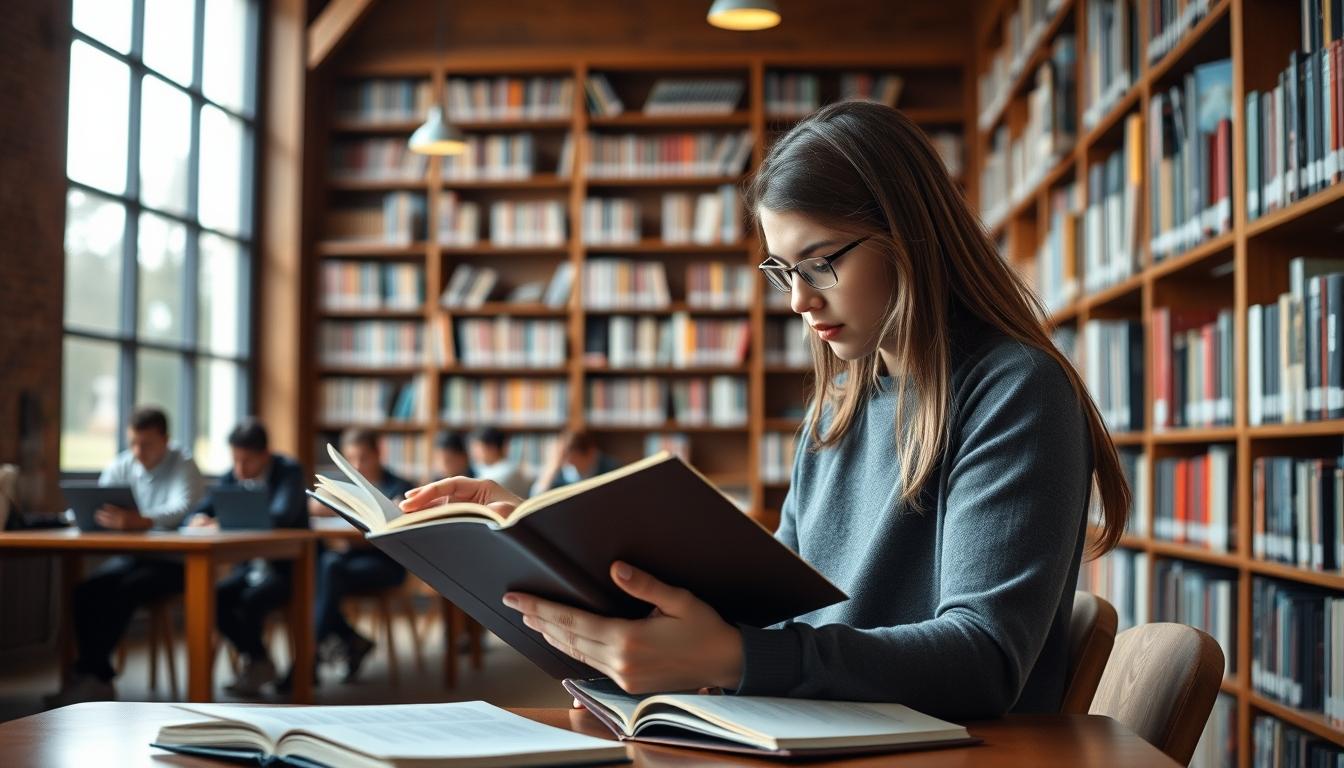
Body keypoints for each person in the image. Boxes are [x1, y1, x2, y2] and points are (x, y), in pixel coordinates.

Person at [399, 101, 1131, 719]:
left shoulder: (1014, 389)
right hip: (814, 737)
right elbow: (780, 617)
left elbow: (983, 661)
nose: (797, 300)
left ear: (913, 235)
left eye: (821, 263)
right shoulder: (836, 413)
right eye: (783, 269)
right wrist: (548, 542)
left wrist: (737, 654)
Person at [46, 406, 205, 706]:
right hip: (135, 558)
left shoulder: (184, 464)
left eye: (146, 444)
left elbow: (183, 510)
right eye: (132, 442)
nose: (137, 451)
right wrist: (68, 517)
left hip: (180, 563)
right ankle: (97, 675)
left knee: (124, 591)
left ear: (165, 439)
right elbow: (96, 502)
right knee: (85, 591)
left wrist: (140, 521)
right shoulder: (124, 464)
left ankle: (94, 677)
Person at [185, 418, 307, 696]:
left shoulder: (289, 471)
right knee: (212, 596)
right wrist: (200, 518)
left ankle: (257, 662)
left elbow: (282, 514)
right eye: (235, 460)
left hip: (287, 570)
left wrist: (223, 522)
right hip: (249, 569)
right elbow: (200, 510)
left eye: (247, 461)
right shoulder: (234, 475)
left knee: (252, 601)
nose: (239, 470)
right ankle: (259, 660)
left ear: (265, 455)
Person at [308, 429, 413, 682]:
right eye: (350, 459)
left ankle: (307, 661)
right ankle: (349, 641)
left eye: (363, 457)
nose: (357, 465)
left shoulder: (399, 486)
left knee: (328, 569)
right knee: (322, 566)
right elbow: (313, 505)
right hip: (348, 562)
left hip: (386, 564)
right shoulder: (344, 486)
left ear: (379, 454)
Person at [529, 430, 620, 496]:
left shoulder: (611, 470)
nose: (572, 467)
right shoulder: (560, 471)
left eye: (575, 461)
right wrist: (552, 467)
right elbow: (535, 498)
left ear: (591, 453)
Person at [466, 426, 531, 498]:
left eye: (476, 447)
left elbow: (480, 493)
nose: (473, 453)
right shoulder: (484, 468)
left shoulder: (508, 472)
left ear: (492, 448)